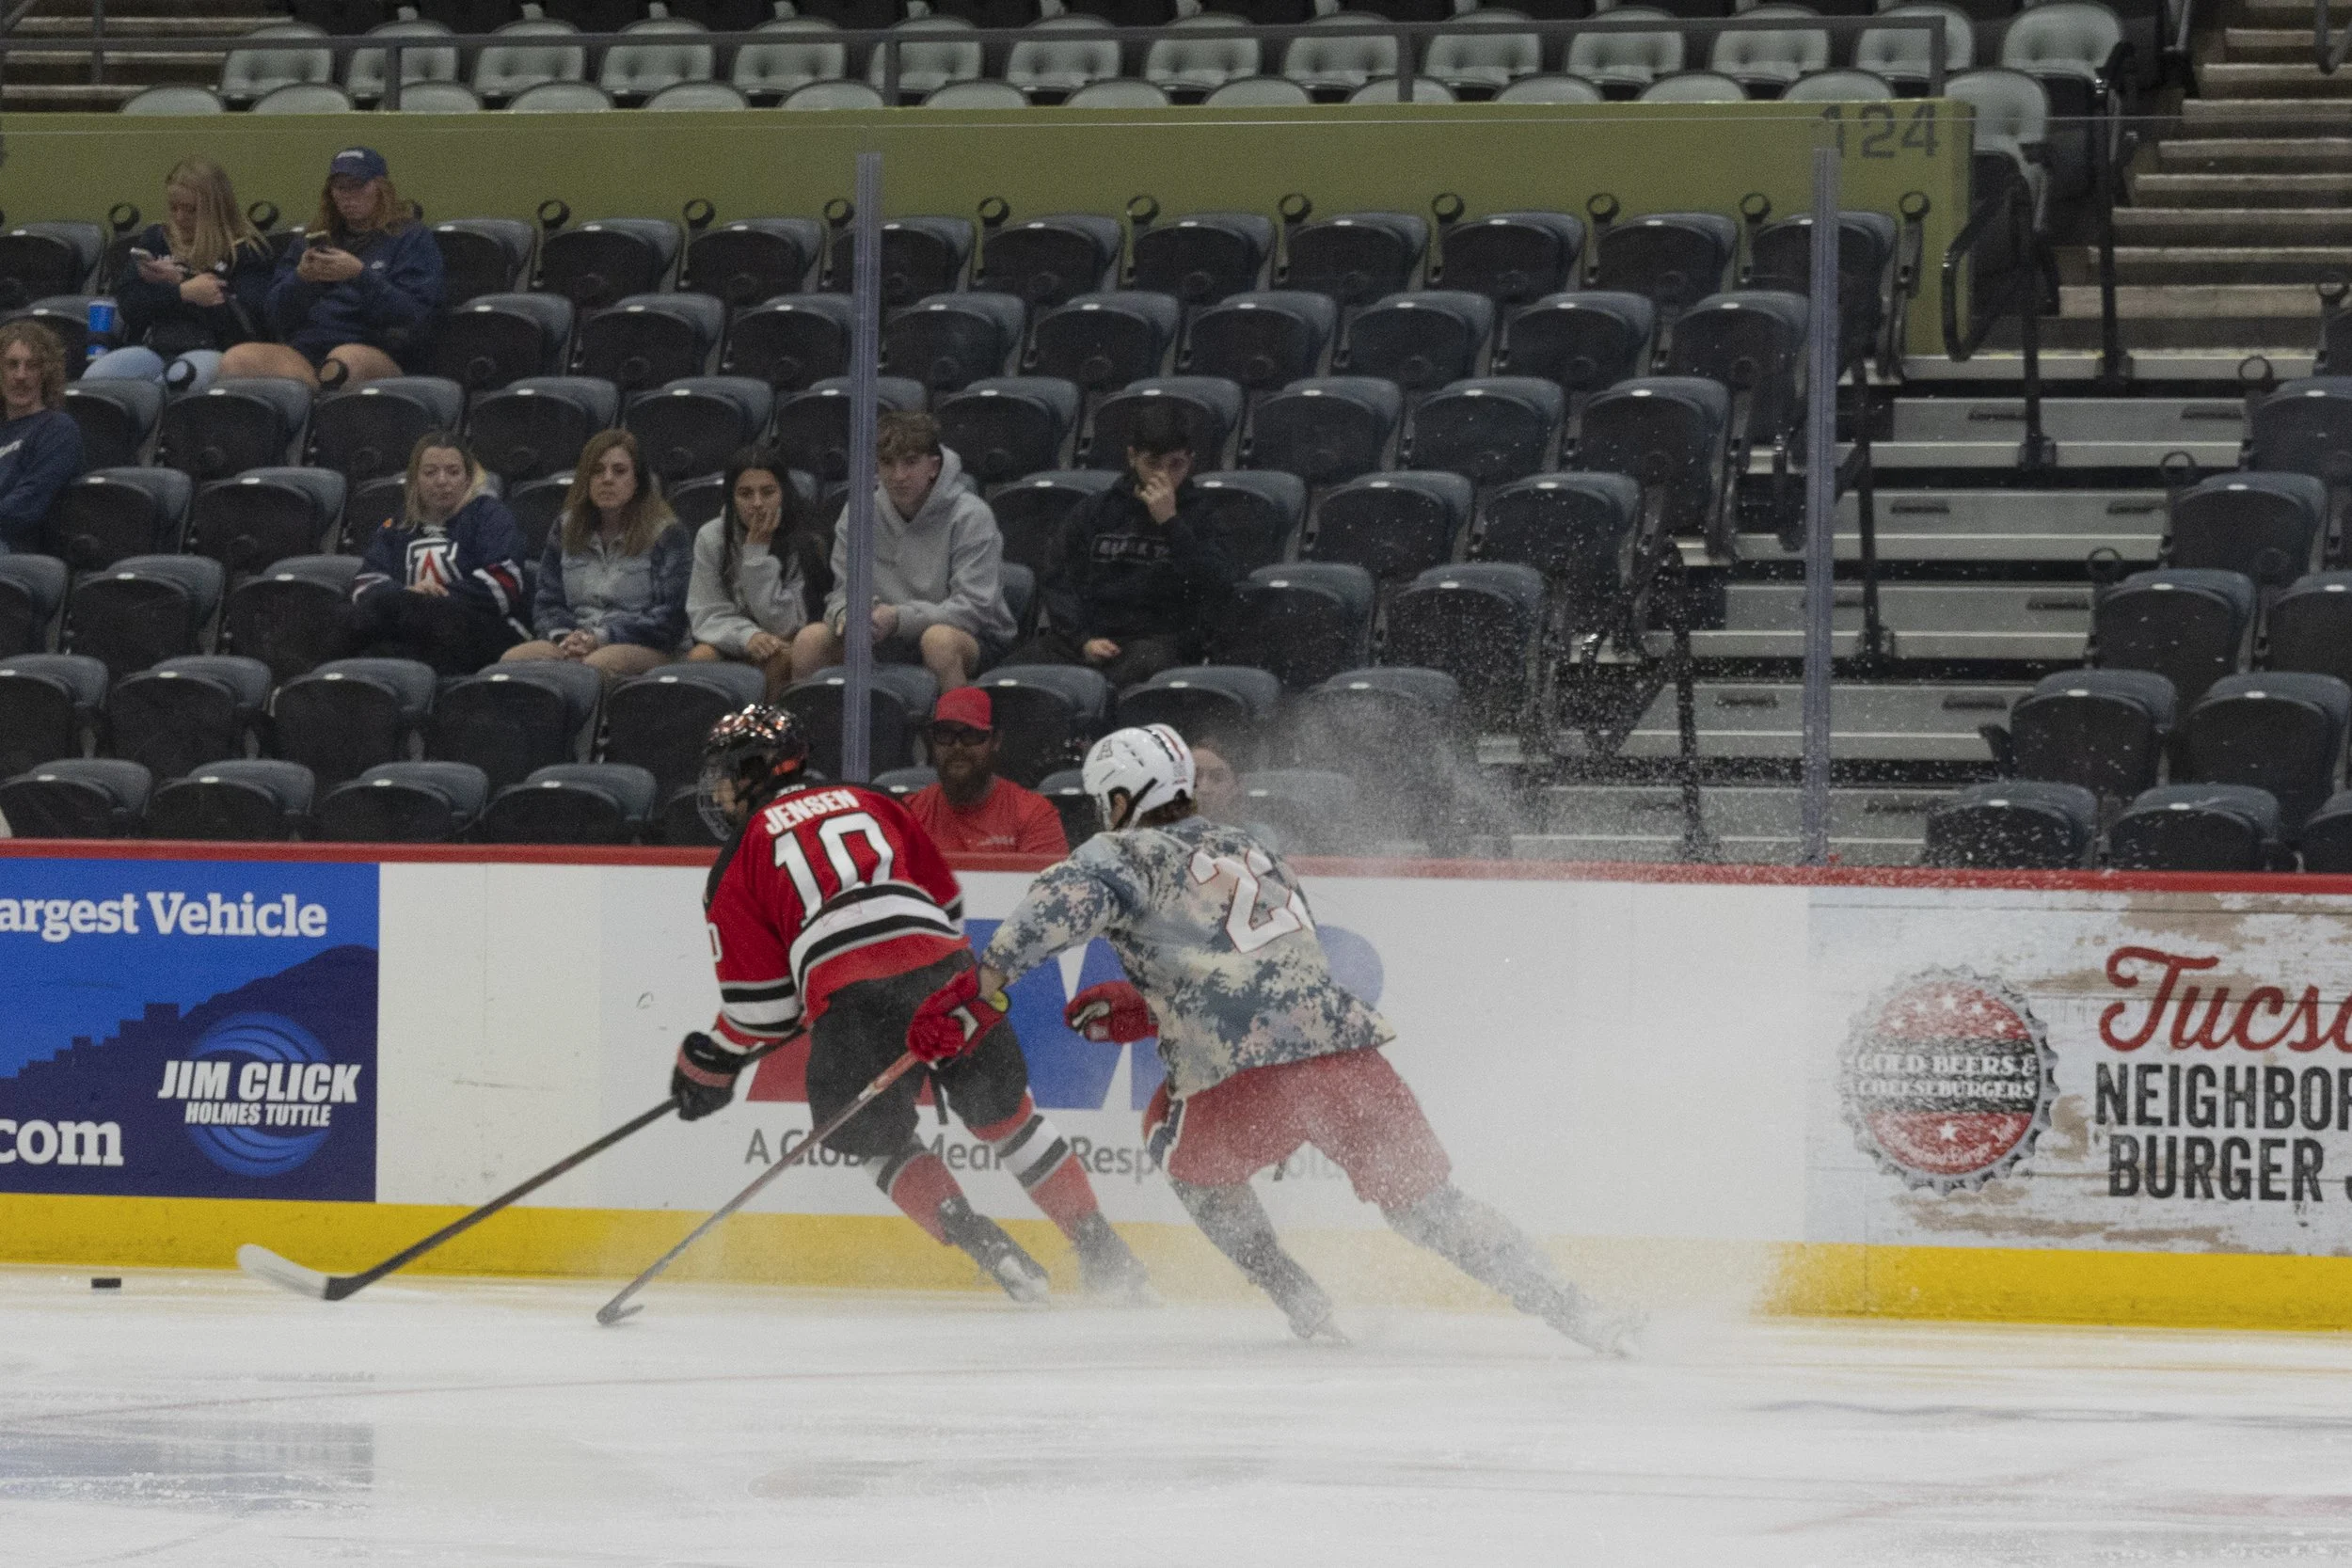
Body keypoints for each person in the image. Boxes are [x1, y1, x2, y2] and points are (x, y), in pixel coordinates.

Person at [951, 724, 1637, 1352]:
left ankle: (1296, 1294)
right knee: (1430, 1206)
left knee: (1171, 1138)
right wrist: (1151, 1001)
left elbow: (1060, 904)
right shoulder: (1255, 847)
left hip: (1242, 1075)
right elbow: (1265, 963)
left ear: (1123, 796)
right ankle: (1578, 1309)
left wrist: (987, 973)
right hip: (1343, 1050)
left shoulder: (1123, 851)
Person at [674, 705, 1152, 1303]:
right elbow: (947, 907)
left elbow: (764, 1014)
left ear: (756, 771)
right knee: (1007, 1117)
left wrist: (706, 1064)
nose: (717, 790)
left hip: (853, 1001)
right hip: (948, 973)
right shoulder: (874, 800)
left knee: (874, 1140)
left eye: (724, 773)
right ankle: (1105, 1253)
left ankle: (986, 1244)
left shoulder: (736, 861)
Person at [1005, 403, 1234, 689]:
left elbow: (1218, 584)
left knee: (1139, 669)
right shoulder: (1096, 511)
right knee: (1013, 673)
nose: (1163, 476)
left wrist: (1171, 523)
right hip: (1091, 638)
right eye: (1153, 464)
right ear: (1132, 457)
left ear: (1190, 461)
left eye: (1175, 464)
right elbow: (1057, 575)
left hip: (1160, 642)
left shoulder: (1203, 516)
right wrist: (1082, 640)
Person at [789, 411, 1014, 690]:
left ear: (933, 466)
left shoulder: (971, 515)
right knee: (810, 641)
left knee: (938, 642)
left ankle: (954, 731)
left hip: (969, 635)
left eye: (910, 463)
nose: (898, 476)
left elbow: (973, 609)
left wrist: (898, 618)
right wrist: (849, 616)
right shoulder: (859, 511)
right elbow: (842, 592)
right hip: (884, 633)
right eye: (887, 463)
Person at [219, 147, 442, 391]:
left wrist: (359, 275)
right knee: (237, 360)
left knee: (342, 363)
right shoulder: (312, 238)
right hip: (305, 351)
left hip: (374, 349)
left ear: (381, 188)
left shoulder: (410, 237)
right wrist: (302, 280)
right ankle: (308, 404)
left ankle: (318, 402)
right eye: (340, 188)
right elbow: (274, 318)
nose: (348, 196)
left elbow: (414, 316)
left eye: (358, 185)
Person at [504, 429, 692, 679]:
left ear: (638, 481)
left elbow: (670, 618)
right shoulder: (565, 527)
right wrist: (564, 636)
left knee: (596, 666)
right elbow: (548, 602)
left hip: (645, 645)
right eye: (597, 471)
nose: (607, 479)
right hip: (574, 639)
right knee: (512, 661)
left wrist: (601, 638)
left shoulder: (667, 532)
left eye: (619, 471)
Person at [84, 156, 275, 396]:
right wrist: (182, 292)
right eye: (174, 208)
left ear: (214, 209)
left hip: (217, 349)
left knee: (179, 379)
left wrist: (182, 289)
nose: (180, 218)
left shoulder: (246, 251)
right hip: (155, 345)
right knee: (97, 380)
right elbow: (130, 303)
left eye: (191, 210)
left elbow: (249, 325)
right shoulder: (157, 239)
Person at [342, 432, 529, 675]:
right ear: (415, 479)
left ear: (468, 478)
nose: (442, 481)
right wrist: (407, 596)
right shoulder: (398, 525)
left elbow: (505, 581)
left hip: (480, 632)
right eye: (430, 472)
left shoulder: (490, 516)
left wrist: (431, 602)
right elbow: (365, 583)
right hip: (410, 631)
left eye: (453, 472)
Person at [685, 446, 831, 701]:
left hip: (786, 640)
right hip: (735, 639)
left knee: (777, 658)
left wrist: (756, 554)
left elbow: (784, 623)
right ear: (731, 498)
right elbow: (706, 612)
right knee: (700, 658)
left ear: (783, 493)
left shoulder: (806, 536)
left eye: (768, 492)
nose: (757, 504)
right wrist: (747, 636)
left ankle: (768, 735)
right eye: (745, 493)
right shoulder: (711, 536)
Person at [903, 688, 1068, 857]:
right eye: (945, 734)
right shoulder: (908, 815)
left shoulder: (1034, 815)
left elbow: (1045, 883)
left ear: (996, 741)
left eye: (971, 734)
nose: (957, 747)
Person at [0, 320, 85, 556]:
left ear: (46, 374)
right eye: (11, 365)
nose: (21, 375)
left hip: (21, 552)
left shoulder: (58, 429)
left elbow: (28, 503)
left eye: (32, 366)